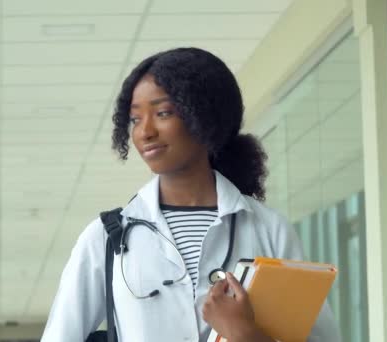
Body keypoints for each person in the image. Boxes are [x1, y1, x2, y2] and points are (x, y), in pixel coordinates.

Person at [40, 47, 340, 342]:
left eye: (163, 113)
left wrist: (245, 334)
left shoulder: (269, 229)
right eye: (135, 119)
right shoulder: (106, 239)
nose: (145, 132)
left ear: (205, 115)